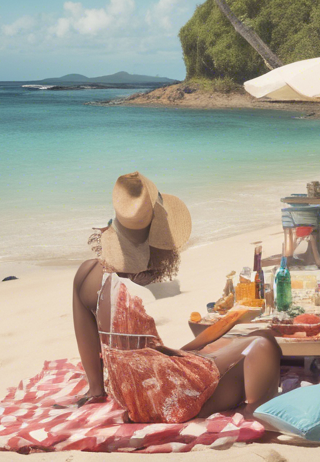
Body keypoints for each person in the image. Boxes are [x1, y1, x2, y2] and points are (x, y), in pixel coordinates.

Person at [72, 172, 282, 423]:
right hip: (170, 399)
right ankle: (256, 416)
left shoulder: (88, 274)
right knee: (264, 343)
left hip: (131, 398)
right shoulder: (142, 293)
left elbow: (140, 350)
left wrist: (97, 389)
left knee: (226, 344)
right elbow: (162, 359)